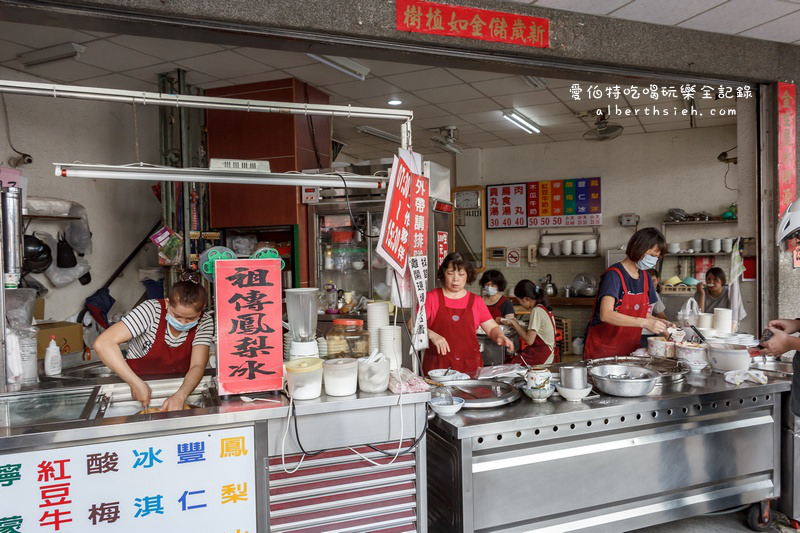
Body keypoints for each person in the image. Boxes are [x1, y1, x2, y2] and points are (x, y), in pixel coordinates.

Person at [94, 273, 214, 411]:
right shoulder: (151, 311)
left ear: (201, 311)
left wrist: (182, 394)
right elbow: (103, 343)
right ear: (168, 303)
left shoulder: (204, 322)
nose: (182, 323)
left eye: (190, 319)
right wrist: (134, 383)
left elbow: (197, 366)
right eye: (177, 316)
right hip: (136, 385)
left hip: (181, 386)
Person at [584, 227, 671, 359]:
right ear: (639, 248)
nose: (654, 261)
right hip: (604, 350)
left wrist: (660, 322)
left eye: (657, 258)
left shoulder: (646, 277)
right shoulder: (614, 275)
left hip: (630, 349)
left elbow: (639, 313)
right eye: (652, 255)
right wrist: (645, 323)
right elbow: (606, 314)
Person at [422, 252, 513, 375]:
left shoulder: (476, 301)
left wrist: (500, 336)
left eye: (461, 274)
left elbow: (492, 329)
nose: (456, 279)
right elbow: (413, 324)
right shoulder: (432, 298)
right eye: (450, 273)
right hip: (438, 368)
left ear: (467, 275)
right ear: (443, 273)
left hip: (469, 366)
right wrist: (433, 335)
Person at [502, 279, 559, 366]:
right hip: (546, 352)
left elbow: (529, 340)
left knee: (509, 365)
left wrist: (515, 324)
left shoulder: (537, 311)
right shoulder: (543, 308)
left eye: (520, 301)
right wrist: (518, 324)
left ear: (526, 299)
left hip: (541, 354)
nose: (520, 304)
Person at [641, 268, 668, 347]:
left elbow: (661, 314)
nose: (650, 285)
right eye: (647, 282)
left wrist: (668, 325)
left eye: (653, 281)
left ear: (658, 280)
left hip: (651, 333)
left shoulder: (654, 294)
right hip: (637, 333)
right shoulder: (637, 294)